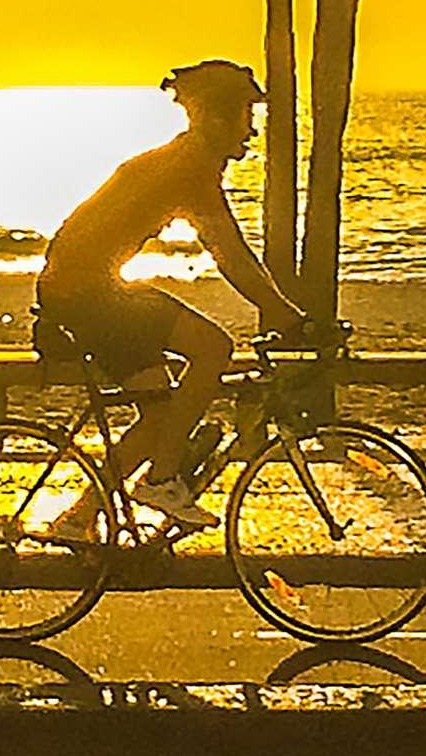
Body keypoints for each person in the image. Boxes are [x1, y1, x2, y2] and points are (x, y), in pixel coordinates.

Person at [27, 59, 315, 542]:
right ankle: (162, 480)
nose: (252, 128)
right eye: (247, 115)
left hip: (82, 290)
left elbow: (233, 255)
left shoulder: (182, 161)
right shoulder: (188, 170)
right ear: (216, 119)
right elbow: (232, 257)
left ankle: (77, 519)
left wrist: (284, 312)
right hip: (87, 293)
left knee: (159, 416)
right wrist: (290, 318)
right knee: (213, 348)